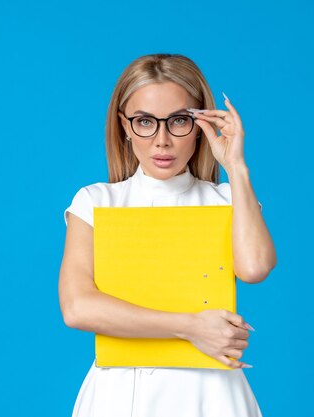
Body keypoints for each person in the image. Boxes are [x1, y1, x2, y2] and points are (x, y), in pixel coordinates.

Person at [58, 53, 277, 417]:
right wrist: (191, 327)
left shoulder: (226, 199)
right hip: (120, 393)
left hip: (212, 394)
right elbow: (78, 307)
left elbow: (254, 267)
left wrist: (235, 166)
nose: (162, 140)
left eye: (178, 121)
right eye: (145, 121)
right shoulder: (97, 202)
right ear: (124, 126)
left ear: (201, 124)